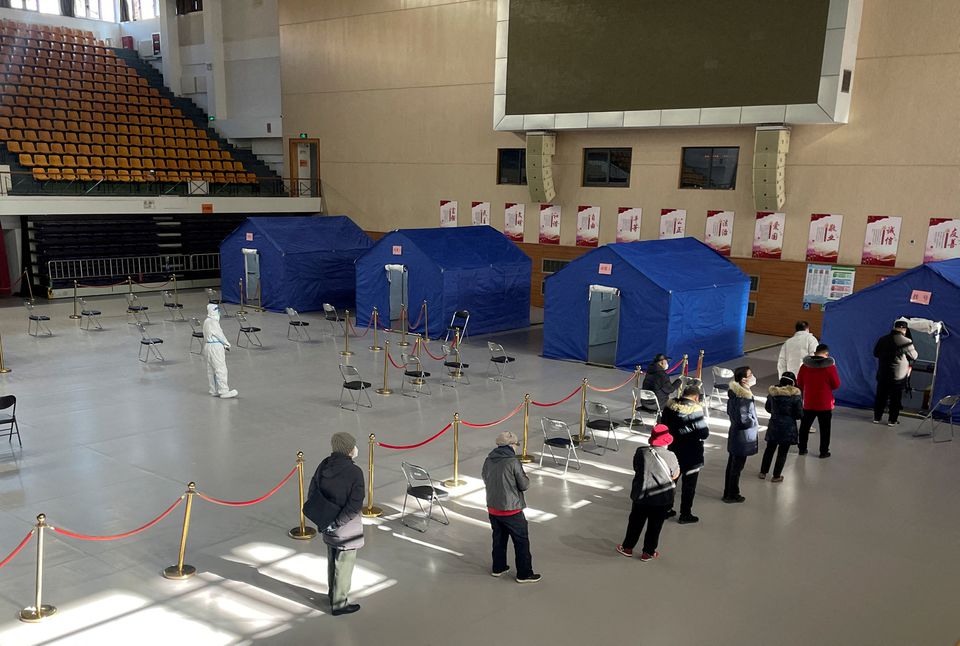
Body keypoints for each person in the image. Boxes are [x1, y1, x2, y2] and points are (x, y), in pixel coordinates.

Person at [308, 432, 365, 616]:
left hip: (327, 523)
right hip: (345, 529)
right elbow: (354, 505)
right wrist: (337, 523)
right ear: (349, 450)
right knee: (344, 565)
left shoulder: (324, 464)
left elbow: (313, 490)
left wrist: (326, 521)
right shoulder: (355, 472)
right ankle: (340, 604)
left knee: (332, 561)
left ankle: (332, 595)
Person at [481, 431, 540, 583]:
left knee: (499, 538)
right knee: (521, 541)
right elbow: (524, 484)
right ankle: (524, 573)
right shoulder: (513, 462)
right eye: (515, 445)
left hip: (493, 507)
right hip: (511, 509)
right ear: (510, 445)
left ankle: (498, 567)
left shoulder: (488, 459)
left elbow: (485, 478)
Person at [617, 424, 680, 562]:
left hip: (641, 495)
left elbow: (636, 468)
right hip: (662, 498)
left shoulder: (640, 452)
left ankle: (627, 548)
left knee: (635, 522)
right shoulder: (671, 456)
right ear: (667, 441)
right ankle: (648, 552)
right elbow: (675, 475)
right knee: (655, 526)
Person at [661, 384, 710, 523]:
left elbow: (663, 425)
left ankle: (666, 509)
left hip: (673, 450)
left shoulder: (669, 407)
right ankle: (685, 514)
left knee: (672, 481)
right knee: (689, 486)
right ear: (696, 397)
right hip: (691, 453)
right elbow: (704, 433)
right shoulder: (695, 411)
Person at [796, 344, 841, 458]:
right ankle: (823, 452)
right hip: (825, 404)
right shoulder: (830, 368)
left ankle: (802, 448)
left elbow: (799, 383)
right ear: (827, 354)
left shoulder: (805, 367)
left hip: (809, 402)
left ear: (815, 353)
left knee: (804, 427)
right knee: (825, 429)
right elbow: (836, 384)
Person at [872, 320, 918, 427]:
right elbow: (914, 356)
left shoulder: (882, 339)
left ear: (894, 327)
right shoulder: (906, 341)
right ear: (904, 329)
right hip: (898, 376)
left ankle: (877, 417)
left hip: (883, 374)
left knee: (881, 396)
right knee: (895, 398)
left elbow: (876, 353)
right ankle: (892, 420)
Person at [723, 366, 758, 503]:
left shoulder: (735, 394)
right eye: (750, 375)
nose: (752, 377)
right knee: (736, 467)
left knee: (732, 464)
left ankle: (729, 492)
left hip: (736, 434)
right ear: (743, 379)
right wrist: (753, 422)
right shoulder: (743, 399)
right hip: (743, 436)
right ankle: (732, 494)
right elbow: (744, 419)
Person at [760, 372, 803, 482]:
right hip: (788, 428)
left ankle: (763, 472)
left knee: (769, 449)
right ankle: (776, 476)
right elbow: (799, 414)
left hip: (774, 424)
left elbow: (767, 408)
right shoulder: (795, 397)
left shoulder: (772, 394)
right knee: (782, 452)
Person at [203, 303, 238, 398]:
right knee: (220, 369)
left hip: (207, 347)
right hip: (215, 347)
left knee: (211, 370)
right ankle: (223, 391)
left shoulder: (206, 321)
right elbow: (219, 335)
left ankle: (213, 390)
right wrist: (227, 344)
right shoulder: (213, 323)